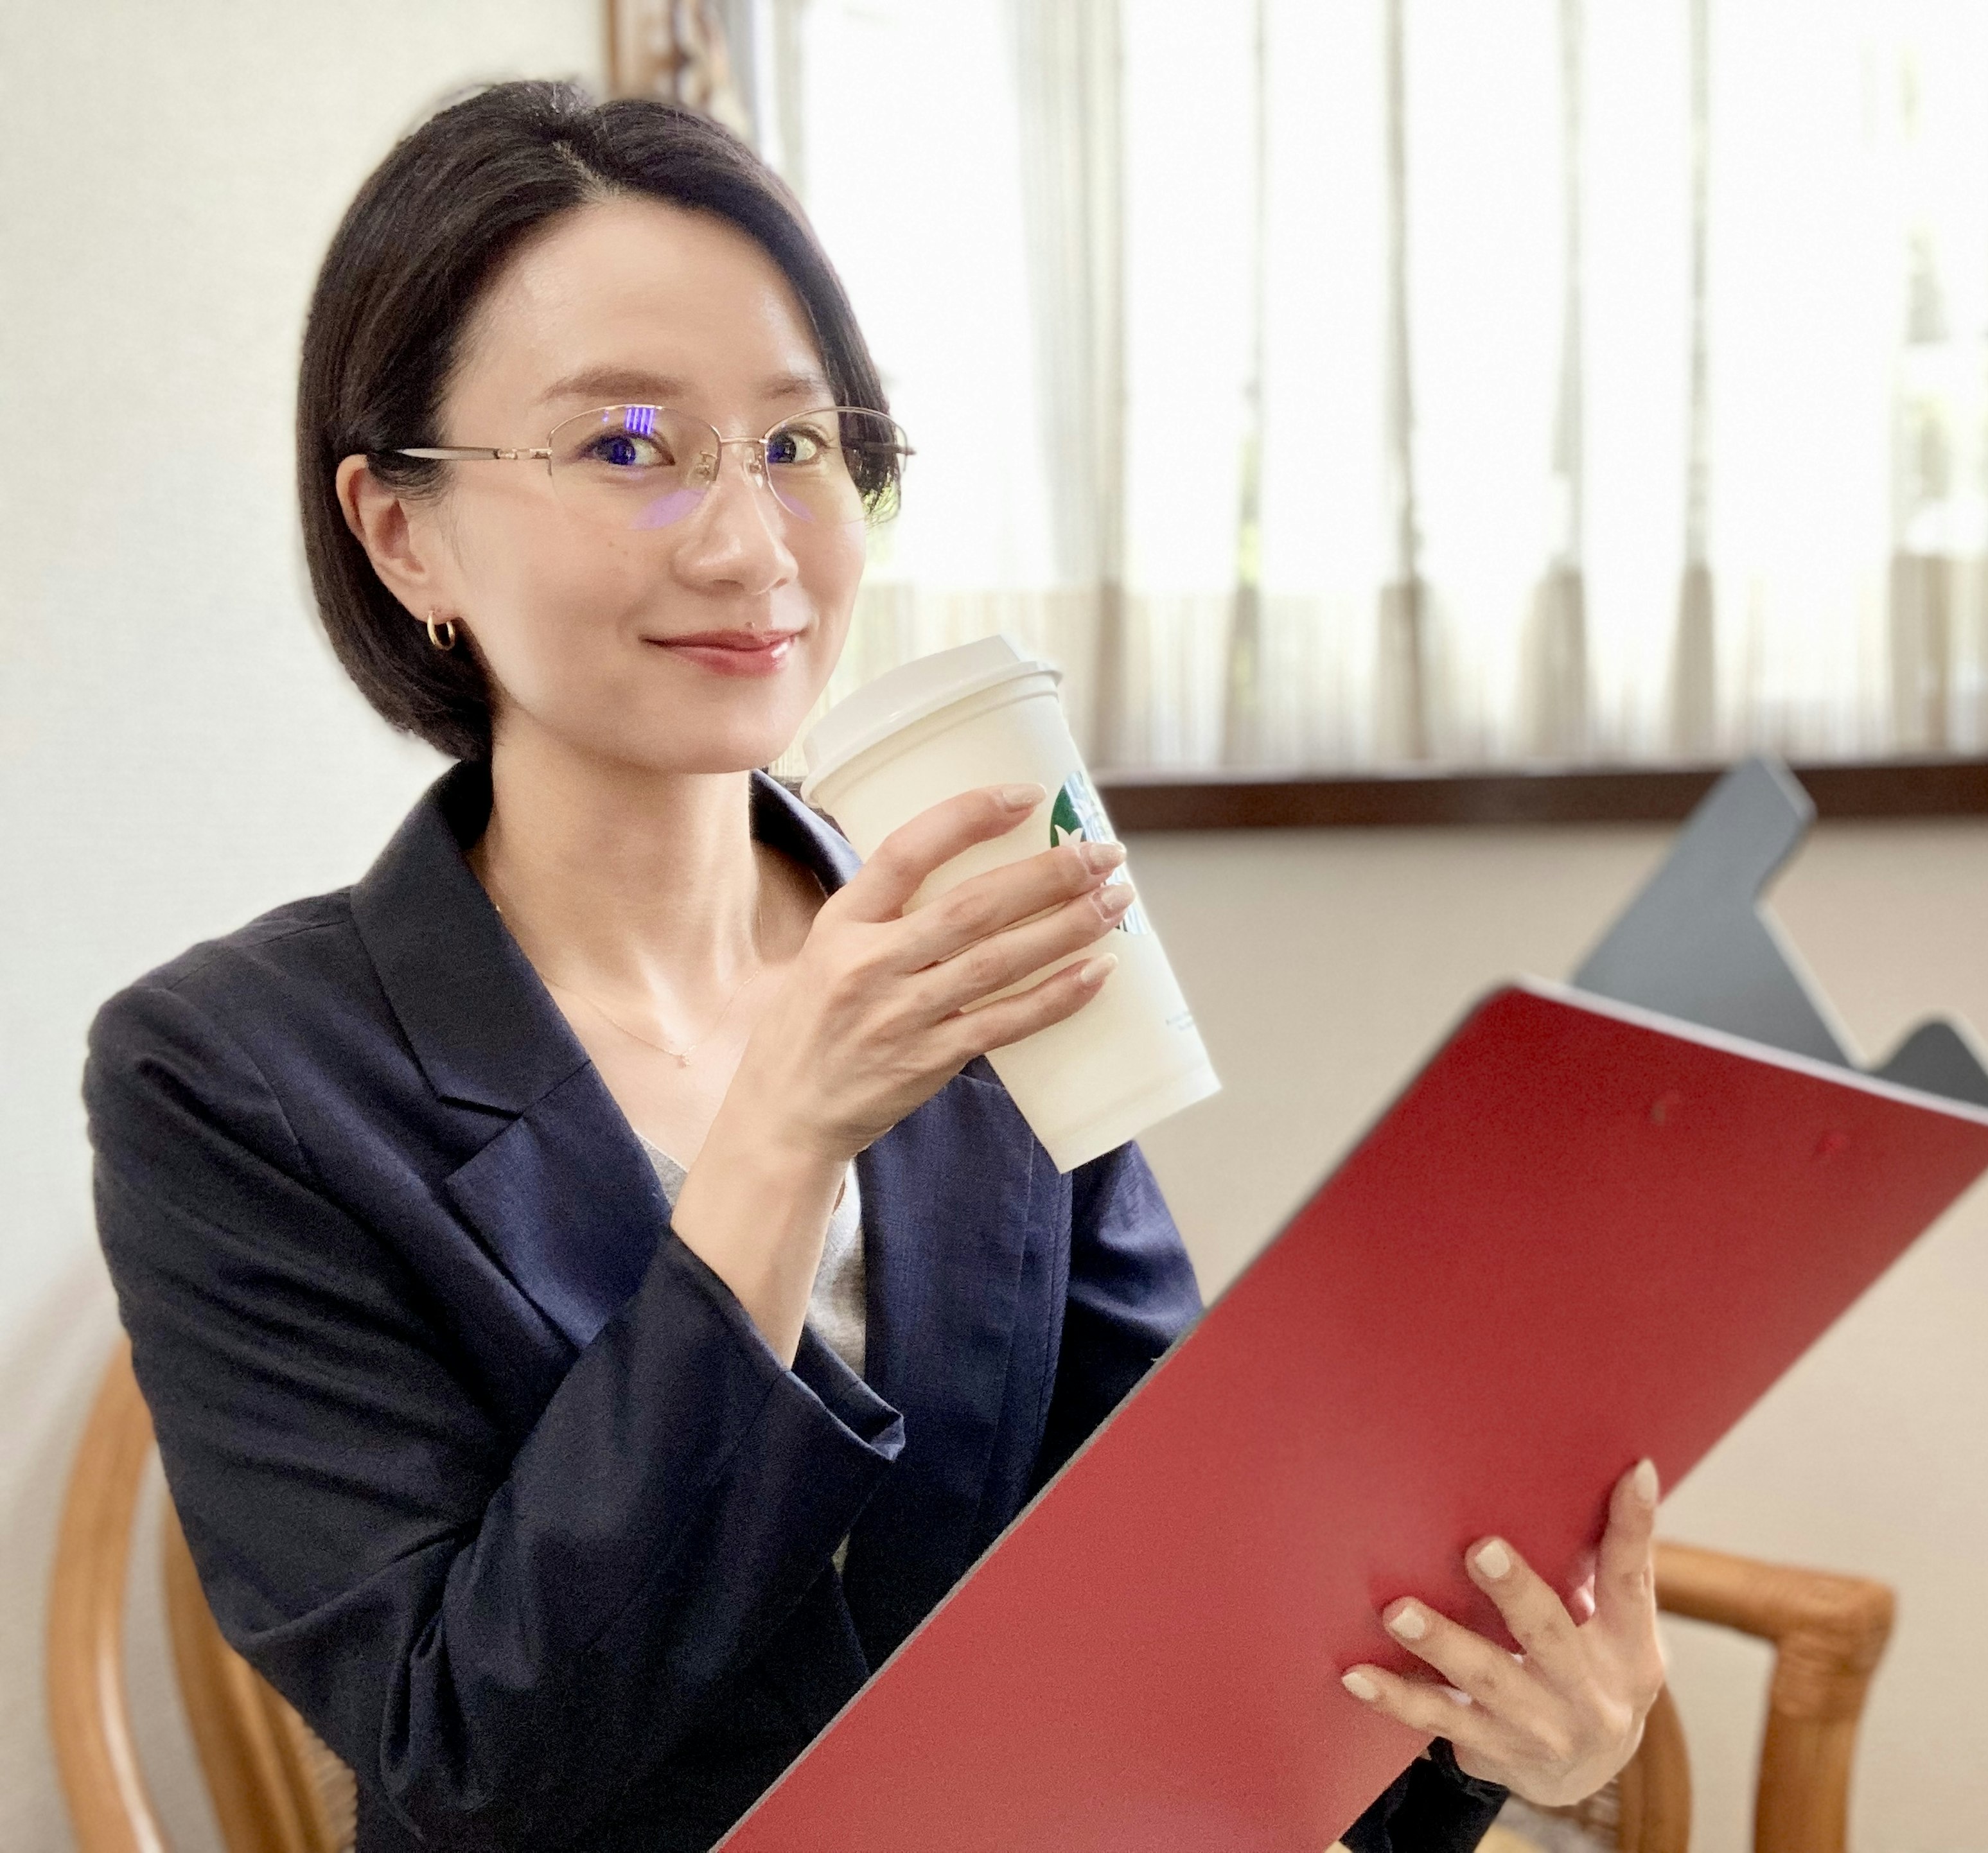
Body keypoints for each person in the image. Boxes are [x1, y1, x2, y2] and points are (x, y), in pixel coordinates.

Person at [82, 81, 1664, 1853]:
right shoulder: (230, 1078)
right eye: (627, 446)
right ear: (402, 532)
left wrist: (1492, 1738)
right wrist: (778, 1146)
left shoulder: (974, 940)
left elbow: (1181, 1569)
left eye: (797, 443)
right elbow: (469, 1752)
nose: (755, 547)